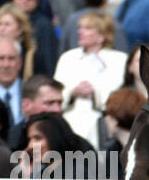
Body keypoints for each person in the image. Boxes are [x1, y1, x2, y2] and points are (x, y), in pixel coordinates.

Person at [54, 11, 128, 148]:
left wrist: (94, 92)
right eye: (80, 27)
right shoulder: (68, 58)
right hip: (70, 120)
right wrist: (72, 92)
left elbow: (117, 95)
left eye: (87, 28)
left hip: (102, 125)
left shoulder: (119, 60)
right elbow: (56, 92)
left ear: (102, 35)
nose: (80, 32)